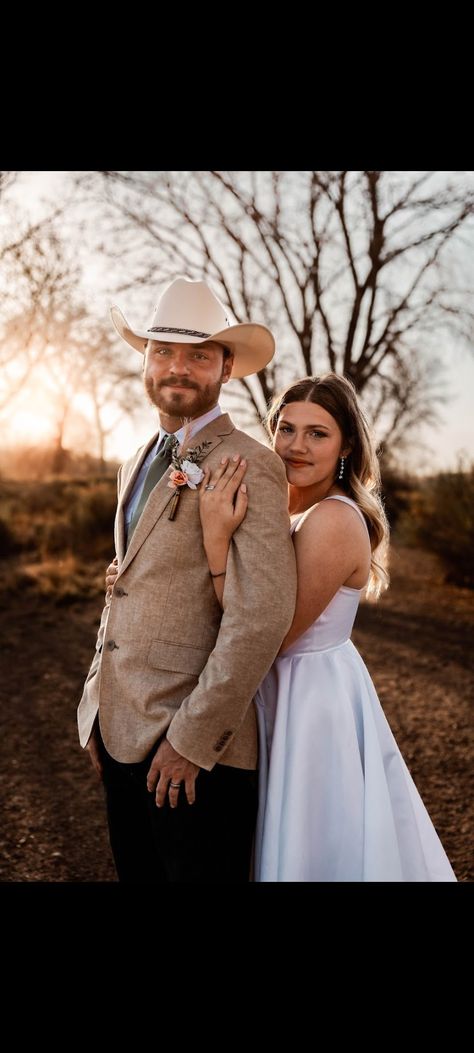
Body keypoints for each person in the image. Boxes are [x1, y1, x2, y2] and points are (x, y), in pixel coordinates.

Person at [196, 373, 457, 881]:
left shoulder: (334, 519)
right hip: (273, 689)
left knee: (314, 846)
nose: (296, 446)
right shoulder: (288, 510)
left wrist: (215, 544)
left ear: (346, 445)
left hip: (311, 703)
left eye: (318, 433)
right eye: (286, 428)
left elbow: (272, 632)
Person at [78, 276, 297, 883]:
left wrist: (193, 740)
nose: (178, 368)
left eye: (198, 355)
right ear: (145, 360)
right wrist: (95, 706)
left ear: (226, 368)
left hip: (196, 753)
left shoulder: (252, 464)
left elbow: (261, 616)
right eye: (163, 351)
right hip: (120, 732)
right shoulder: (135, 462)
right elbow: (126, 586)